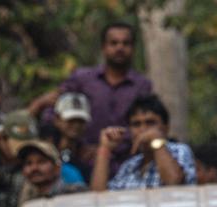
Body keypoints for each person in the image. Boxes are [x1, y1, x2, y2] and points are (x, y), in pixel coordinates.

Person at [29, 22, 152, 170]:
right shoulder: (82, 78)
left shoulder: (142, 85)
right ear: (104, 47)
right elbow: (54, 107)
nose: (120, 48)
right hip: (82, 161)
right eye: (114, 43)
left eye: (126, 43)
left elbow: (146, 123)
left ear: (133, 48)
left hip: (126, 163)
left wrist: (107, 146)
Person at [92, 95, 195, 191]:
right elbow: (98, 197)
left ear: (165, 128)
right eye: (136, 124)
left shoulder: (179, 150)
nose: (143, 129)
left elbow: (174, 184)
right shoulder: (129, 166)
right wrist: (105, 148)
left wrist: (156, 141)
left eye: (150, 123)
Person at [18, 140, 86, 203]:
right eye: (28, 163)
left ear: (57, 168)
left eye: (41, 162)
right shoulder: (28, 199)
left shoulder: (75, 193)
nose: (34, 168)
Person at [52, 92, 92, 185]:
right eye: (71, 120)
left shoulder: (87, 156)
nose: (76, 125)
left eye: (81, 121)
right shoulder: (46, 151)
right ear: (57, 119)